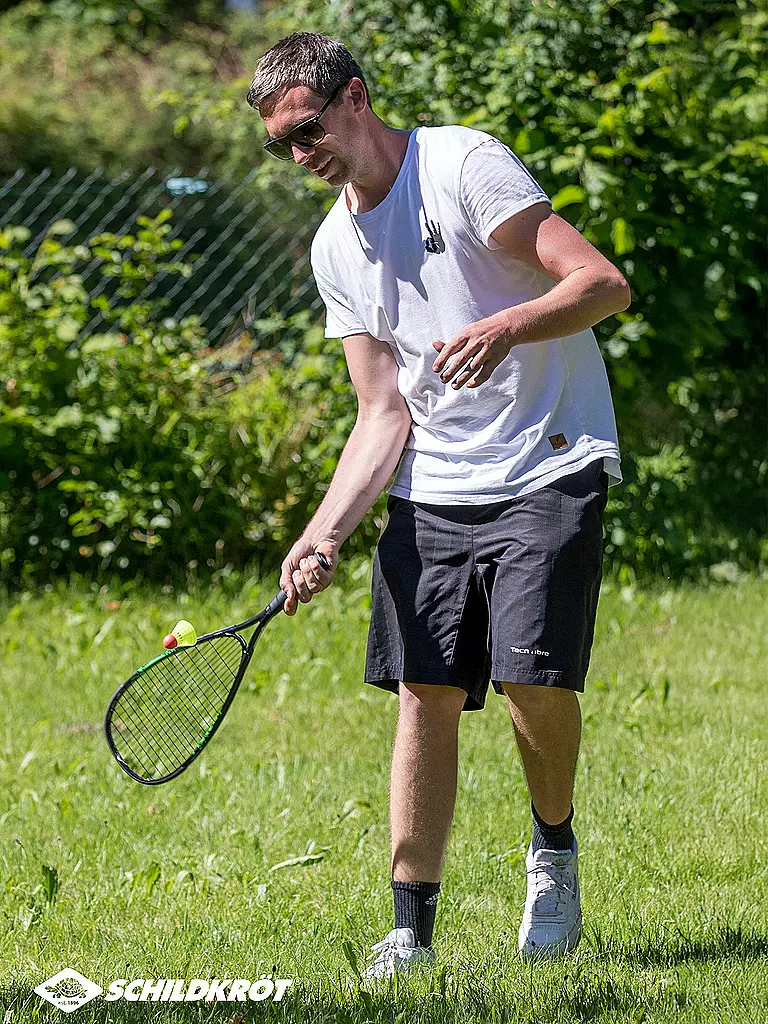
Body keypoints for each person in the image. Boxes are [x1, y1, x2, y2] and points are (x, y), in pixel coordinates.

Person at [247, 31, 630, 979]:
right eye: (280, 146)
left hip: (548, 456)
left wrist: (509, 324)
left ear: (356, 97)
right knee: (424, 694)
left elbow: (601, 283)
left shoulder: (461, 164)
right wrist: (323, 531)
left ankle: (553, 849)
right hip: (436, 489)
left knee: (531, 680)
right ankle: (410, 929)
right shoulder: (336, 245)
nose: (301, 155)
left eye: (307, 130)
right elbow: (383, 410)